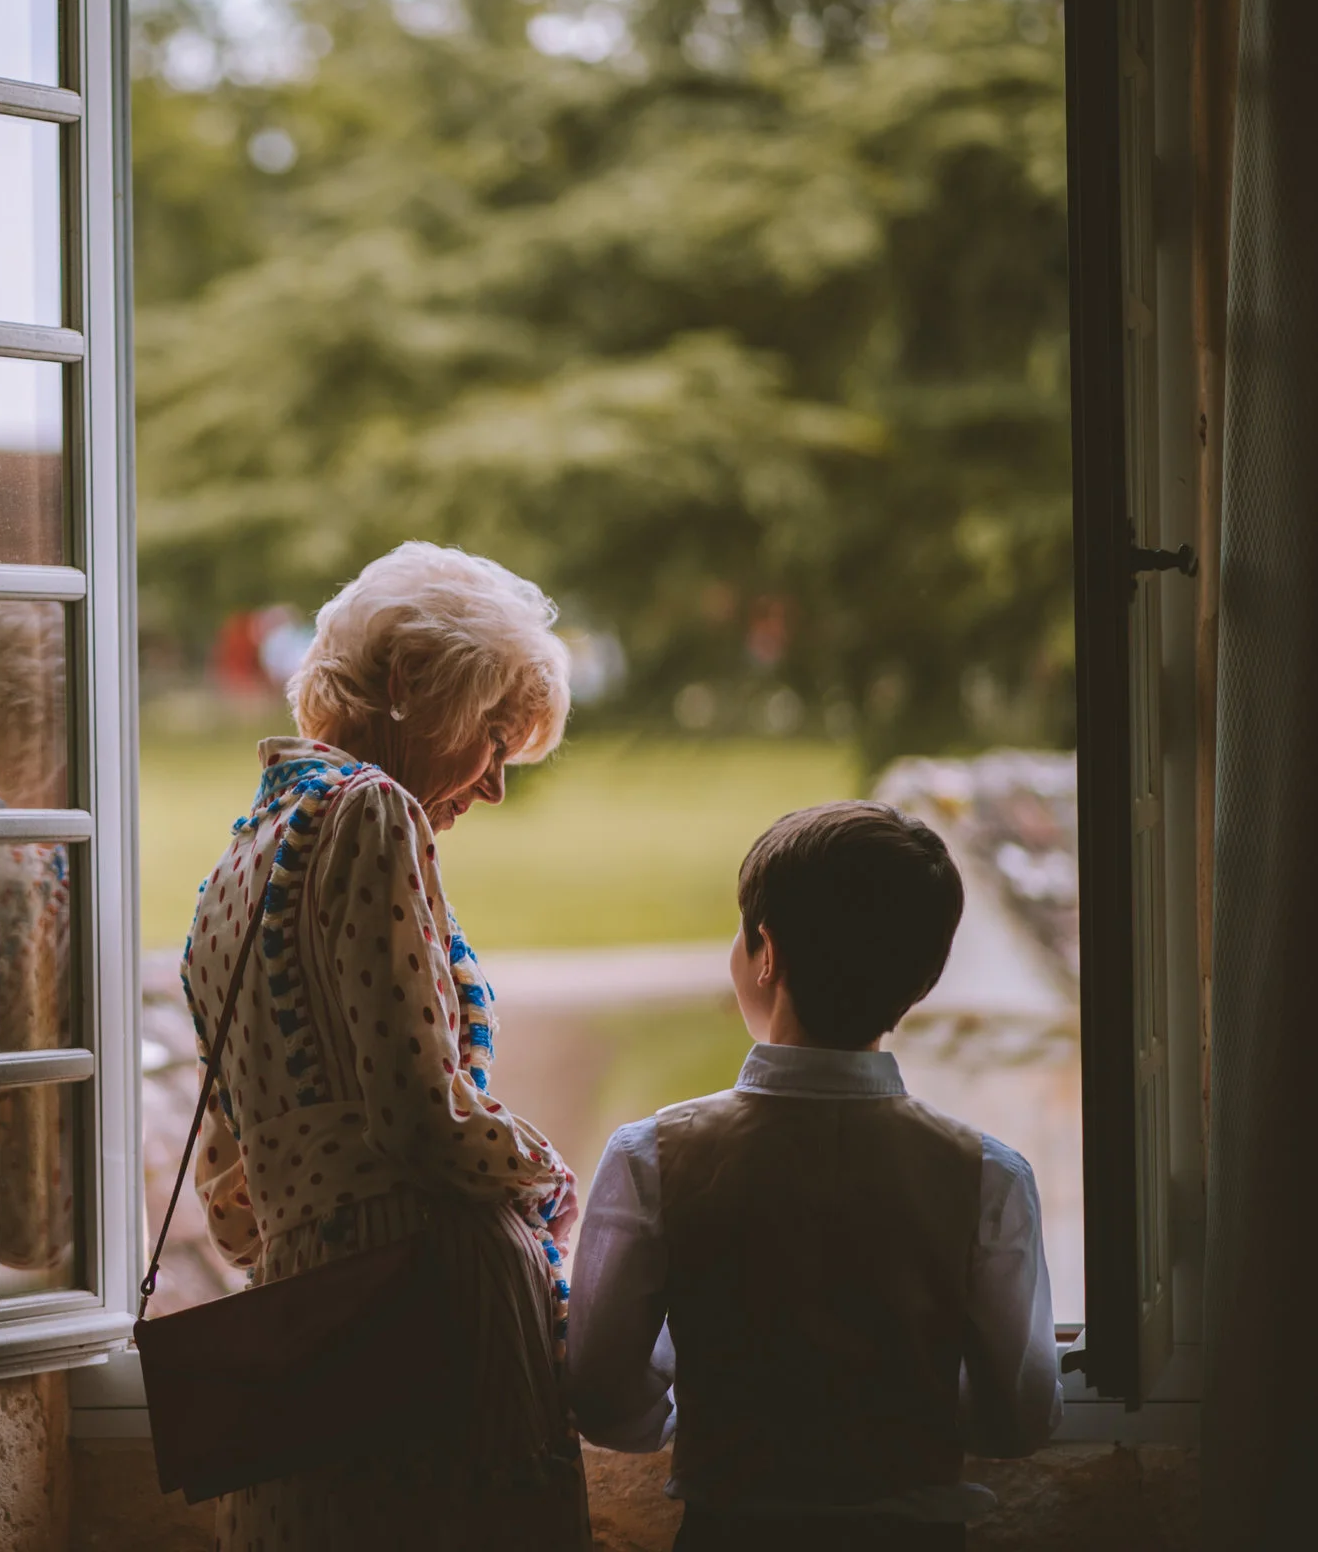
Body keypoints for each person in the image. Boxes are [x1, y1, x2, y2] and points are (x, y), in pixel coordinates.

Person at [179, 541, 590, 1550]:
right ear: (408, 683)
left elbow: (229, 1187)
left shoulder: (238, 860)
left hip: (300, 1313)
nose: (493, 785)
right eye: (495, 739)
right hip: (417, 1314)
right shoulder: (371, 809)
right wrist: (541, 1176)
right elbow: (417, 1113)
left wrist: (308, 1235)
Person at [565, 802, 1063, 1552]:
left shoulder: (653, 1157)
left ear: (765, 950)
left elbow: (604, 1399)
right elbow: (1016, 1418)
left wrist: (700, 1404)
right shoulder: (986, 1175)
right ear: (922, 979)